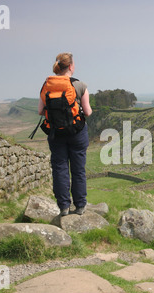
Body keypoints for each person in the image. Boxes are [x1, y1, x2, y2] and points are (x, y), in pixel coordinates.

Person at [38, 52, 93, 216]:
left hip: (56, 133)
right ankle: (80, 205)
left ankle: (63, 207)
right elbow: (88, 112)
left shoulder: (47, 85)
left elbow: (41, 111)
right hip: (77, 132)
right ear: (70, 66)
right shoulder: (80, 85)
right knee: (78, 170)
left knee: (60, 168)